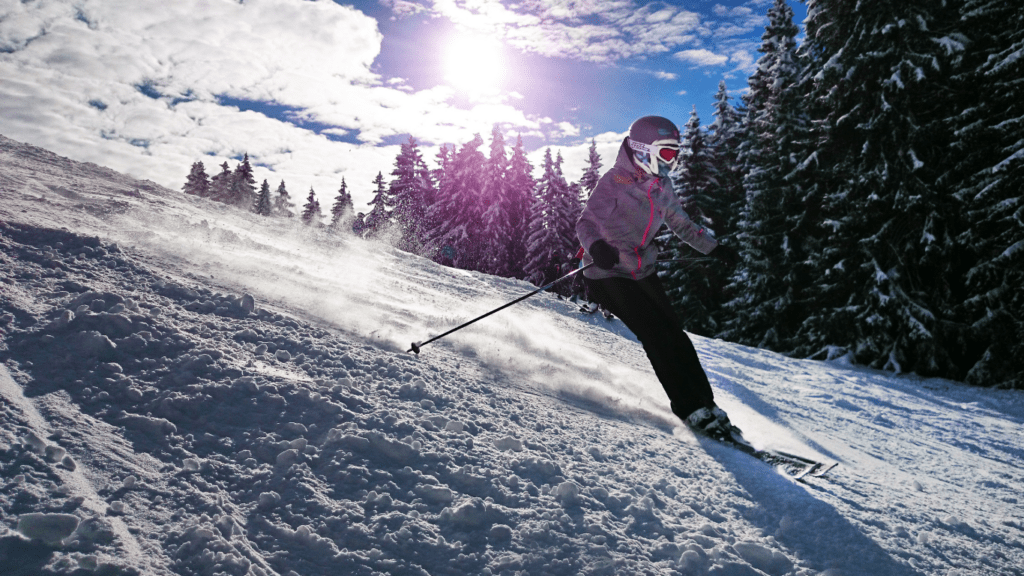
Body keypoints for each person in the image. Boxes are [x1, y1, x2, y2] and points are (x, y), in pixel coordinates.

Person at [575, 115, 741, 442]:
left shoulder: (662, 185)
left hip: (641, 270)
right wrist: (596, 247)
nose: (672, 162)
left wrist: (714, 248)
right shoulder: (614, 181)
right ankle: (689, 407)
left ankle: (707, 405)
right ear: (642, 149)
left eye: (675, 155)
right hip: (607, 273)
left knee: (676, 335)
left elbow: (680, 223)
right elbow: (585, 223)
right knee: (656, 334)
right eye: (666, 154)